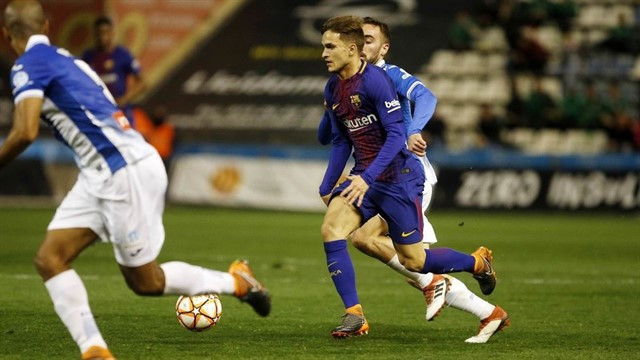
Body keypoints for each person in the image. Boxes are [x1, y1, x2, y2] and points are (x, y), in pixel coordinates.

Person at [0, 1, 270, 359]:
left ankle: (236, 282)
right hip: (106, 170)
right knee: (50, 258)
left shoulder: (27, 66)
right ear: (46, 26)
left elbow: (25, 130)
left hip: (122, 171)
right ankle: (94, 349)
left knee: (146, 282)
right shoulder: (69, 60)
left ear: (6, 34)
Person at [318, 16, 509, 343]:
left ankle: (475, 264)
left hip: (400, 177)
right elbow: (336, 140)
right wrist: (327, 185)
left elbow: (403, 125)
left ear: (357, 48)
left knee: (416, 260)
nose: (323, 53)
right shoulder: (334, 85)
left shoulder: (382, 79)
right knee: (334, 230)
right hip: (366, 175)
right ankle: (354, 314)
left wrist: (413, 131)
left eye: (329, 46)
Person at [82, 16, 145, 128]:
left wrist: (124, 99)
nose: (102, 37)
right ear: (94, 35)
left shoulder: (123, 54)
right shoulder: (88, 56)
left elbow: (142, 83)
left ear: (112, 33)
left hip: (121, 112)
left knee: (126, 142)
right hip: (99, 112)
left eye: (105, 33)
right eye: (99, 34)